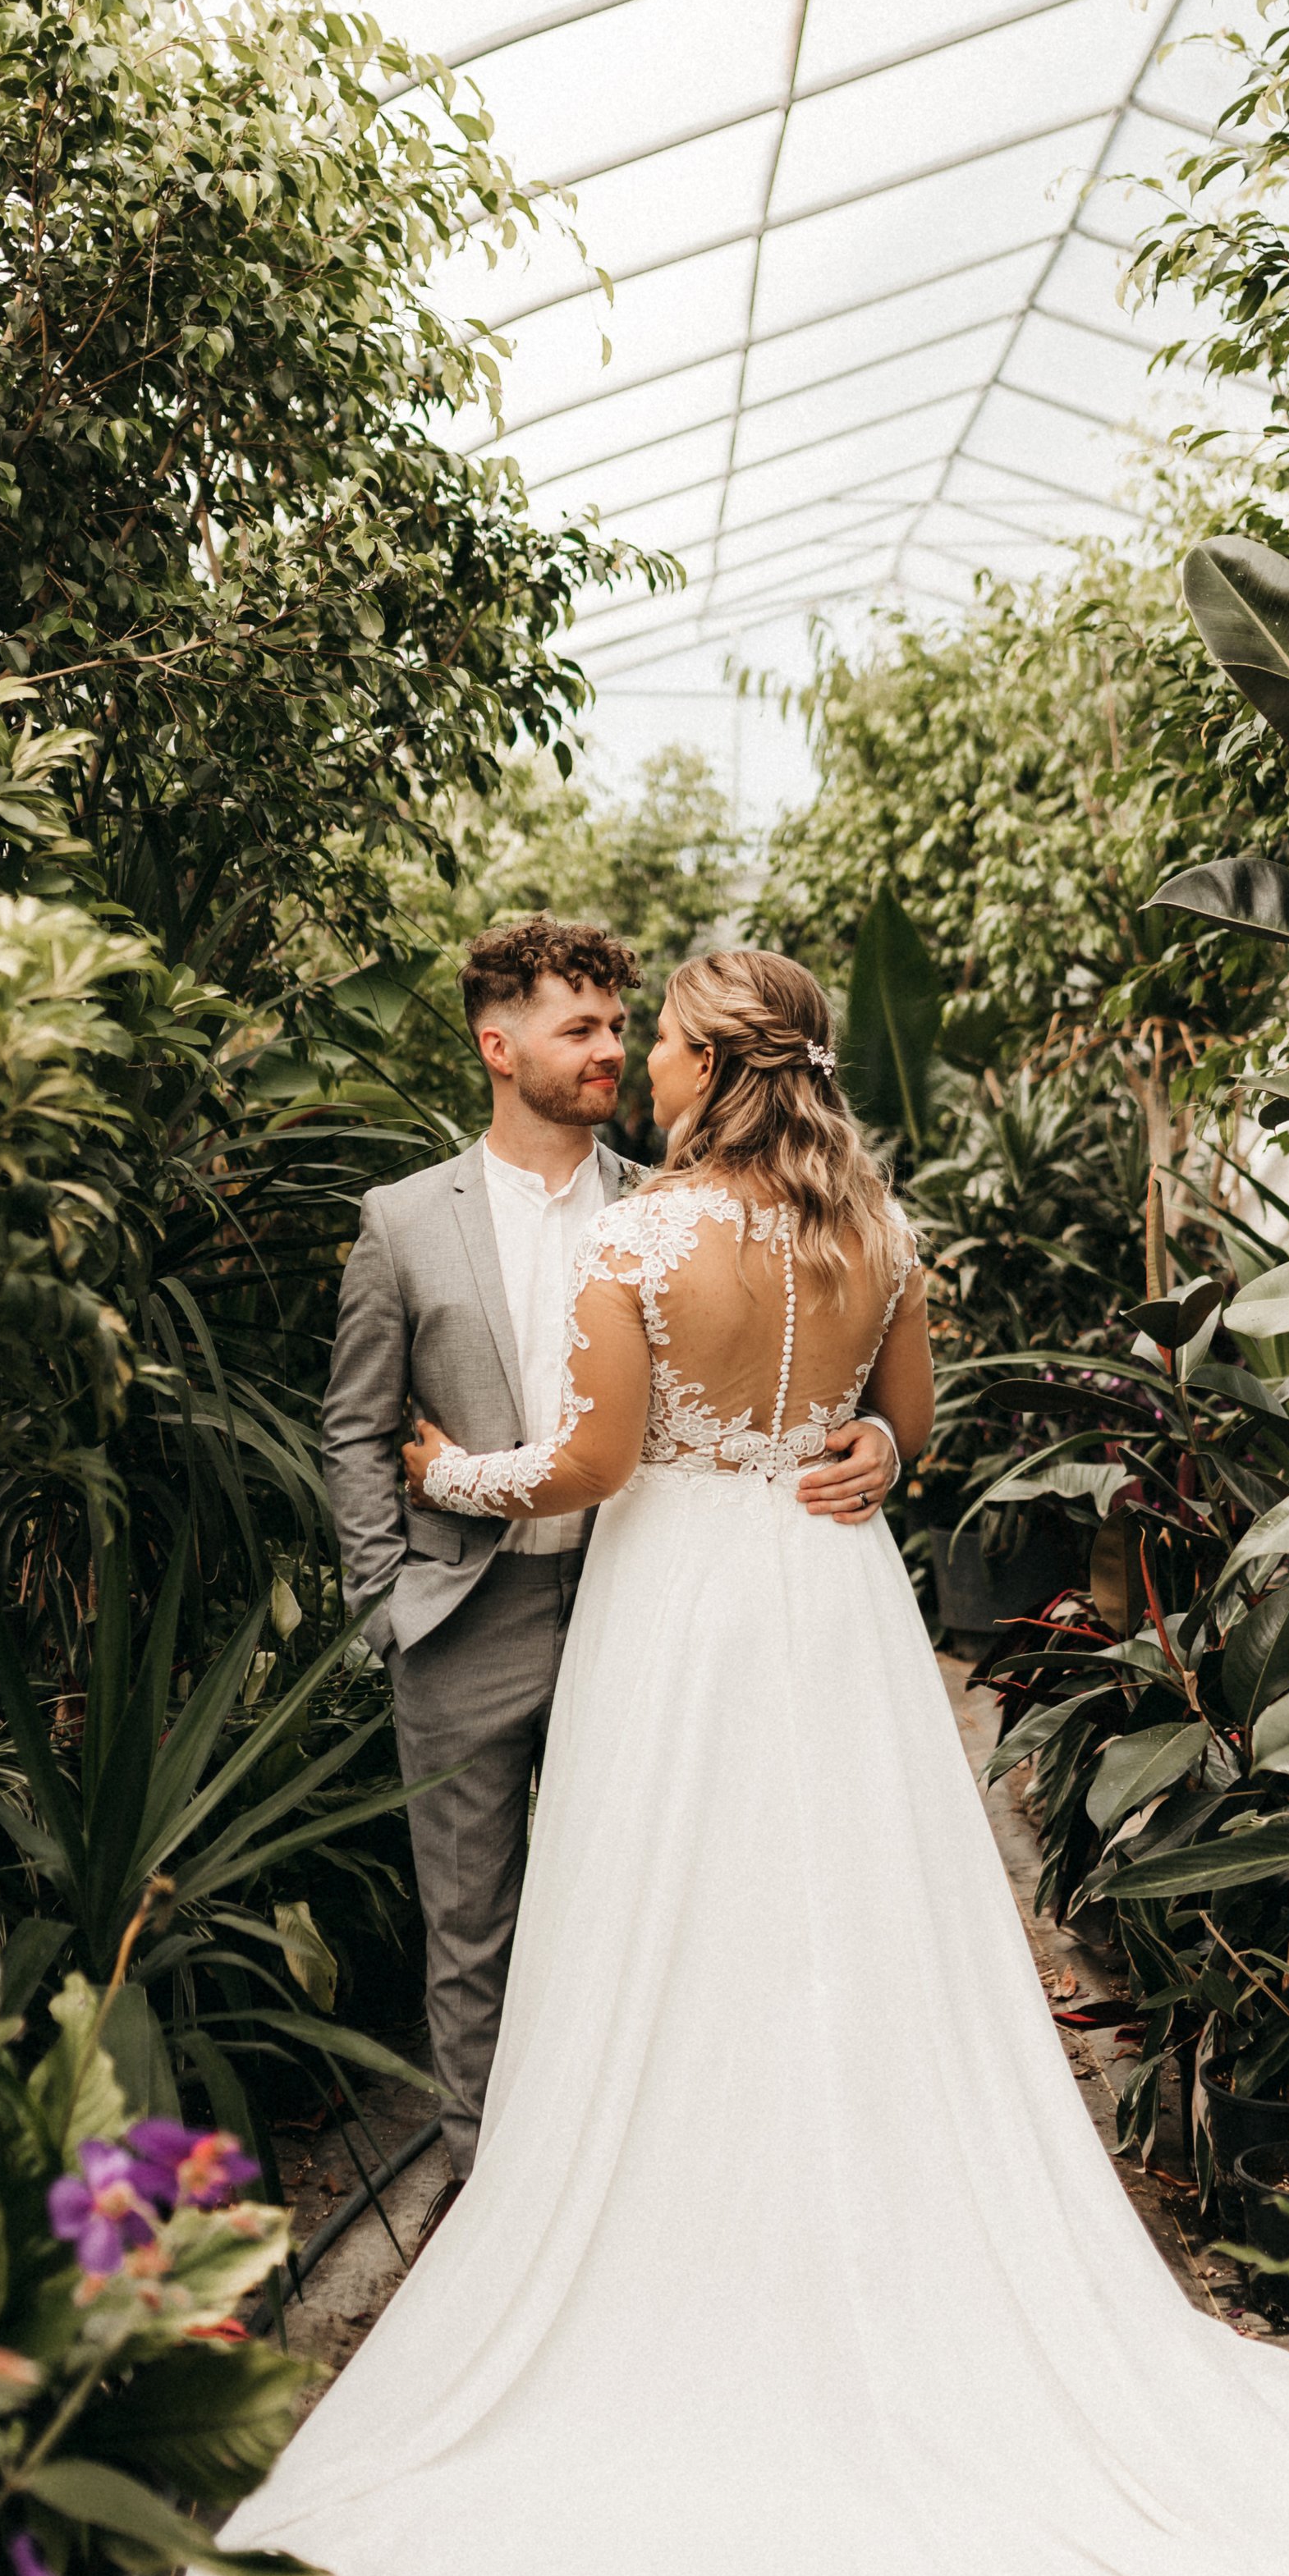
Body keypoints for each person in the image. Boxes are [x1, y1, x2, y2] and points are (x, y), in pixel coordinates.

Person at [144, 950, 1289, 2576]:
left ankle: (673, 2243)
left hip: (678, 1627)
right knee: (860, 1941)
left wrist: (454, 1472)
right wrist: (852, 1441)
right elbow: (906, 1440)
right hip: (830, 1614)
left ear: (704, 1070)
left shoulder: (638, 1246)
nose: (638, 1065)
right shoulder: (878, 1229)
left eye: (660, 1043)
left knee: (659, 1945)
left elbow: (594, 1466)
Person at [317, 919, 901, 2219]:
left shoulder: (673, 1202)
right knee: (470, 1934)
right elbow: (356, 1426)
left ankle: (649, 2196)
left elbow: (806, 1368)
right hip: (466, 1613)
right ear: (496, 1042)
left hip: (648, 1610)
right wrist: (387, 1603)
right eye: (578, 1027)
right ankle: (489, 2205)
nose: (610, 1050)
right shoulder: (404, 1221)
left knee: (657, 1910)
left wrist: (881, 1440)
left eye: (622, 1029)